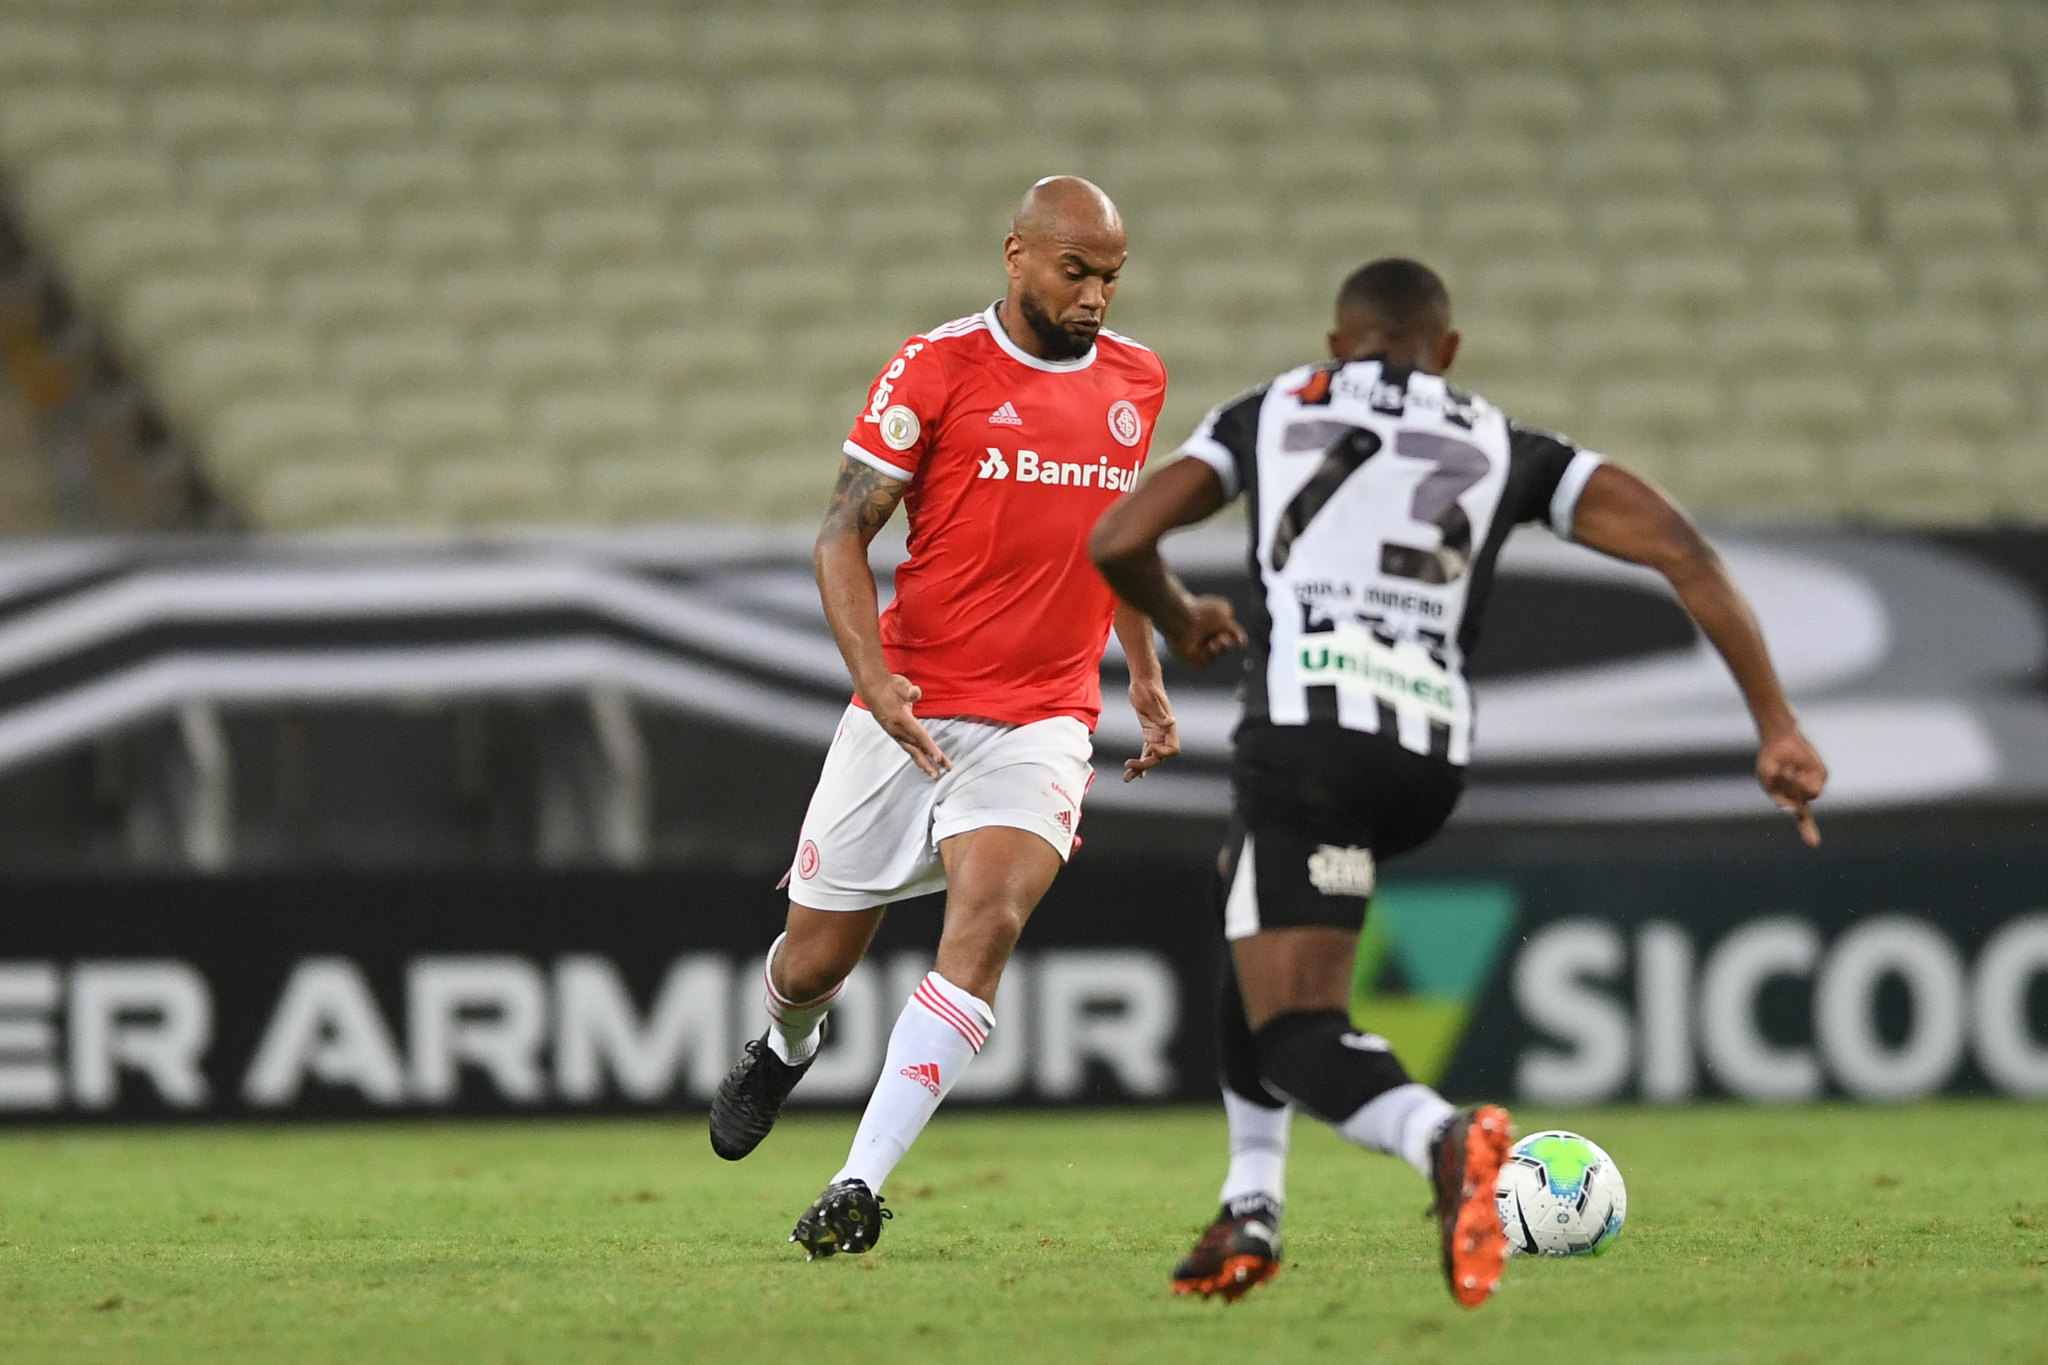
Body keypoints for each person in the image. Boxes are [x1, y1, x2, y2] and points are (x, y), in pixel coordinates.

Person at [1090, 257, 1829, 1307]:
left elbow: (1118, 537)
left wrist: (1177, 615)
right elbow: (1679, 547)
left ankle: (1440, 1139)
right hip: (1427, 759)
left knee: (1294, 1029)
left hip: (1306, 737)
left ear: (1337, 342)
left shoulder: (1269, 412)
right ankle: (1248, 1204)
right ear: (1446, 350)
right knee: (1244, 889)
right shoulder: (1501, 440)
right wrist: (1775, 726)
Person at [708, 177, 1179, 1262]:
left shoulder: (1136, 381)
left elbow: (1120, 541)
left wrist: (1143, 673)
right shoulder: (936, 367)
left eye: (1111, 277)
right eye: (1077, 272)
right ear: (1015, 256)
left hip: (1042, 719)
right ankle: (785, 1044)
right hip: (908, 709)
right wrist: (873, 681)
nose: (1097, 297)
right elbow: (840, 532)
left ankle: (856, 1183)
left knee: (990, 918)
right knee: (813, 961)